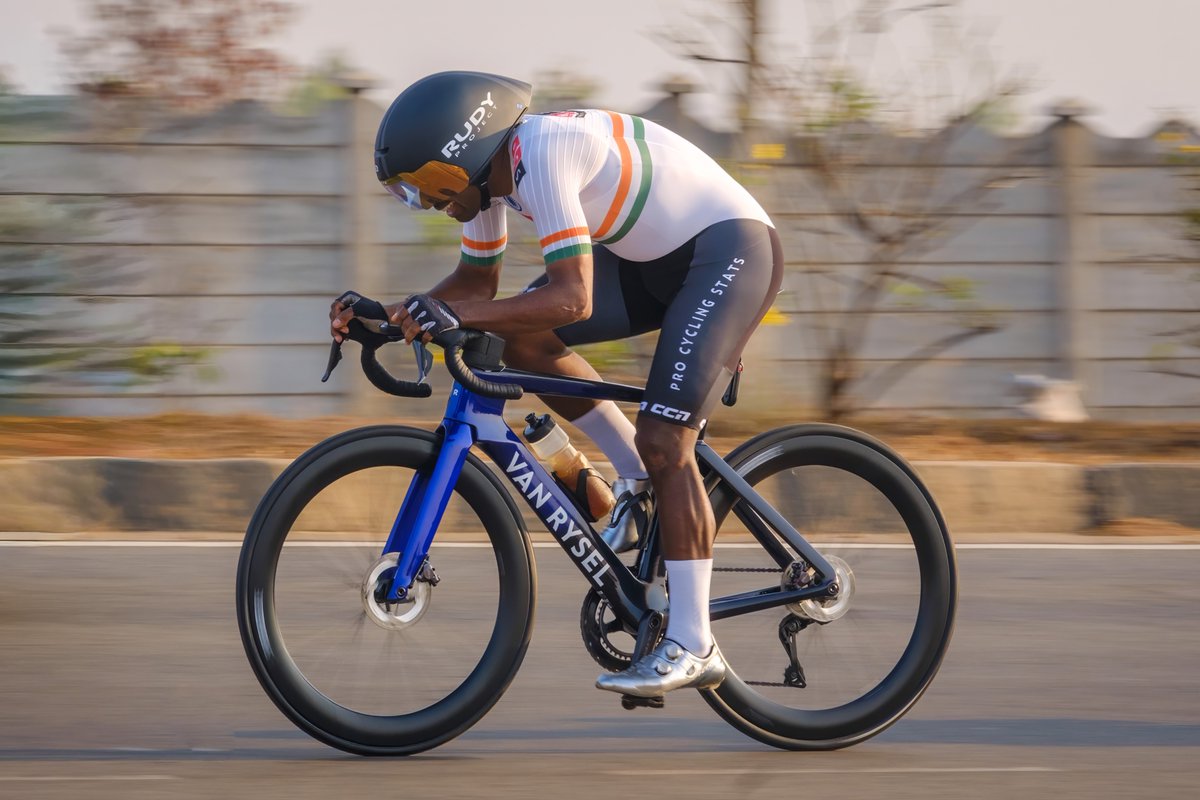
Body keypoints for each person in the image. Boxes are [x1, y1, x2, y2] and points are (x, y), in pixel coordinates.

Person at [331, 71, 783, 698]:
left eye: (427, 185)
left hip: (729, 253)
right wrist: (387, 318)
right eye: (410, 193)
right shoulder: (491, 180)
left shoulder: (539, 155)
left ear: (463, 151)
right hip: (657, 264)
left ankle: (693, 641)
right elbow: (474, 289)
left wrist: (453, 316)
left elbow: (571, 298)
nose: (427, 202)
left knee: (666, 441)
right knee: (520, 340)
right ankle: (635, 484)